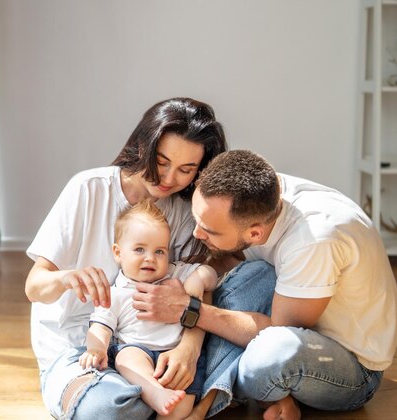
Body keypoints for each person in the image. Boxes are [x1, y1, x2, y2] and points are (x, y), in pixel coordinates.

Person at [25, 97, 272, 420]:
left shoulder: (183, 212)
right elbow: (34, 286)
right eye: (162, 160)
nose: (169, 178)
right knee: (105, 411)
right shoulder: (88, 189)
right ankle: (199, 399)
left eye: (186, 170)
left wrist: (189, 348)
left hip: (164, 345)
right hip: (82, 353)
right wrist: (65, 278)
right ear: (144, 144)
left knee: (259, 277)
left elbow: (197, 287)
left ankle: (168, 400)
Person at [133, 149, 397, 419]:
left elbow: (279, 332)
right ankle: (213, 389)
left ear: (255, 232)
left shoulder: (312, 240)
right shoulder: (255, 195)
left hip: (351, 365)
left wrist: (188, 309)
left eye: (209, 230)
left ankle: (200, 401)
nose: (196, 233)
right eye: (197, 220)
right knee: (251, 278)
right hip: (290, 323)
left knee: (266, 357)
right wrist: (186, 284)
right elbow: (231, 266)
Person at [79, 199, 218, 419]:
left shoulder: (176, 274)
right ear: (118, 253)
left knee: (180, 407)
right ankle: (153, 392)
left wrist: (198, 280)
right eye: (139, 249)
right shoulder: (115, 293)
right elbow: (100, 327)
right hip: (138, 351)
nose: (150, 258)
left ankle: (165, 407)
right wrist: (96, 349)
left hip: (176, 355)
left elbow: (211, 274)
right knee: (127, 357)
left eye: (160, 251)